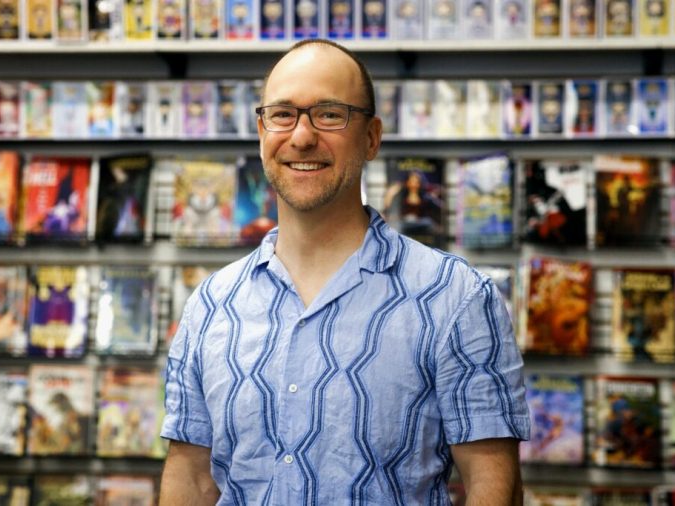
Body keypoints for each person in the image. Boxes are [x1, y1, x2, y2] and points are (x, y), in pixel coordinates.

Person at [160, 39, 530, 505]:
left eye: (330, 114)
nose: (301, 136)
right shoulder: (210, 305)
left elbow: (493, 486)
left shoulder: (454, 297)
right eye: (282, 114)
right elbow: (191, 478)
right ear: (261, 130)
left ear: (372, 137)